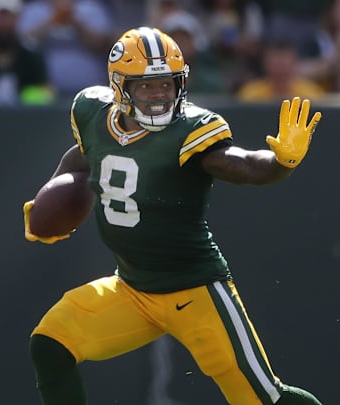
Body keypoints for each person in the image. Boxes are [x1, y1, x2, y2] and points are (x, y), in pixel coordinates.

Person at [23, 26, 323, 405]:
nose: (159, 95)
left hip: (195, 289)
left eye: (167, 84)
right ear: (119, 87)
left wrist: (281, 162)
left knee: (265, 398)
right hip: (131, 288)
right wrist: (48, 206)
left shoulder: (190, 130)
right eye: (146, 86)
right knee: (51, 343)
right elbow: (83, 156)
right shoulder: (93, 115)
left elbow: (245, 166)